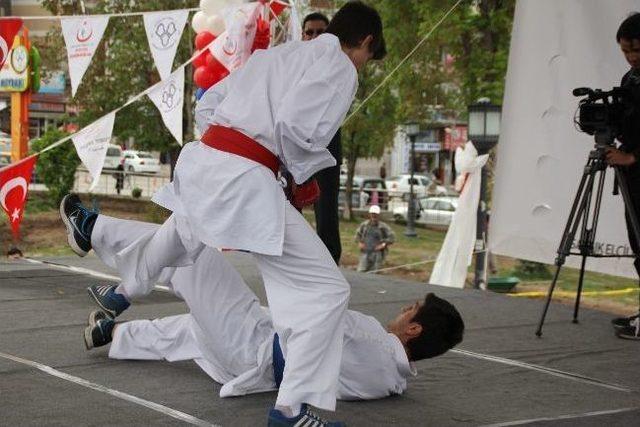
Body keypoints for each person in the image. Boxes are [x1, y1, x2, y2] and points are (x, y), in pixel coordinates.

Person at [60, 2, 386, 425]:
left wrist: (246, 153)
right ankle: (292, 410)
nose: (363, 64)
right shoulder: (341, 67)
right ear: (365, 41)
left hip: (207, 158)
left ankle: (96, 235)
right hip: (245, 177)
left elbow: (210, 104)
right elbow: (293, 128)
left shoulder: (277, 54)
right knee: (326, 292)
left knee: (184, 235)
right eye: (367, 56)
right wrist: (299, 175)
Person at [82, 214, 464, 404]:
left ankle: (95, 230)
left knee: (193, 252)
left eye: (410, 309)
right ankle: (112, 334)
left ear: (413, 330)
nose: (402, 309)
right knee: (189, 330)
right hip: (255, 368)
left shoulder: (371, 337)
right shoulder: (392, 381)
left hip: (255, 346)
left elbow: (307, 315)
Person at [606, 13, 640, 341]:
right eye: (625, 51)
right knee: (637, 245)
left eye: (636, 50)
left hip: (635, 165)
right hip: (632, 177)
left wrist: (633, 156)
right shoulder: (630, 79)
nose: (631, 57)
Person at [301, 11, 344, 264]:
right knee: (284, 201)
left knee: (326, 202)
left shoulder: (340, 66)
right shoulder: (292, 62)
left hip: (326, 141)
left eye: (321, 32)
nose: (315, 37)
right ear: (303, 35)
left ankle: (329, 261)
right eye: (310, 32)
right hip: (292, 139)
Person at [355, 205, 395, 272]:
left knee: (375, 272)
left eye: (376, 214)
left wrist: (383, 245)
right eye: (372, 214)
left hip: (377, 254)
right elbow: (358, 235)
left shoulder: (383, 227)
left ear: (378, 215)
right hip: (365, 253)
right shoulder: (364, 225)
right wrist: (360, 243)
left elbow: (392, 238)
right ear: (369, 214)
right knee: (361, 271)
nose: (374, 215)